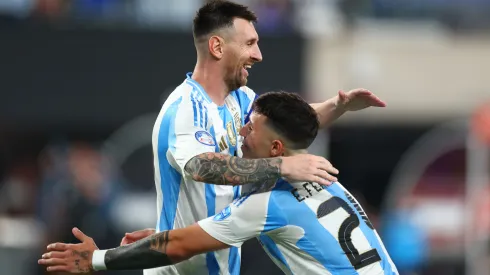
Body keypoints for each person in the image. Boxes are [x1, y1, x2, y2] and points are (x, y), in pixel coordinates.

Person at [115, 0, 386, 274]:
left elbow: (281, 130)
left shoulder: (240, 99)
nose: (258, 54)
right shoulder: (185, 109)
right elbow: (201, 166)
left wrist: (336, 106)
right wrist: (282, 165)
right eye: (249, 43)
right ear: (217, 47)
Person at [38, 91, 398, 275]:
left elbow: (180, 245)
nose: (241, 132)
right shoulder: (331, 184)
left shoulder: (265, 205)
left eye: (250, 128)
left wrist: (98, 259)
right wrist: (336, 105)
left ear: (274, 148)